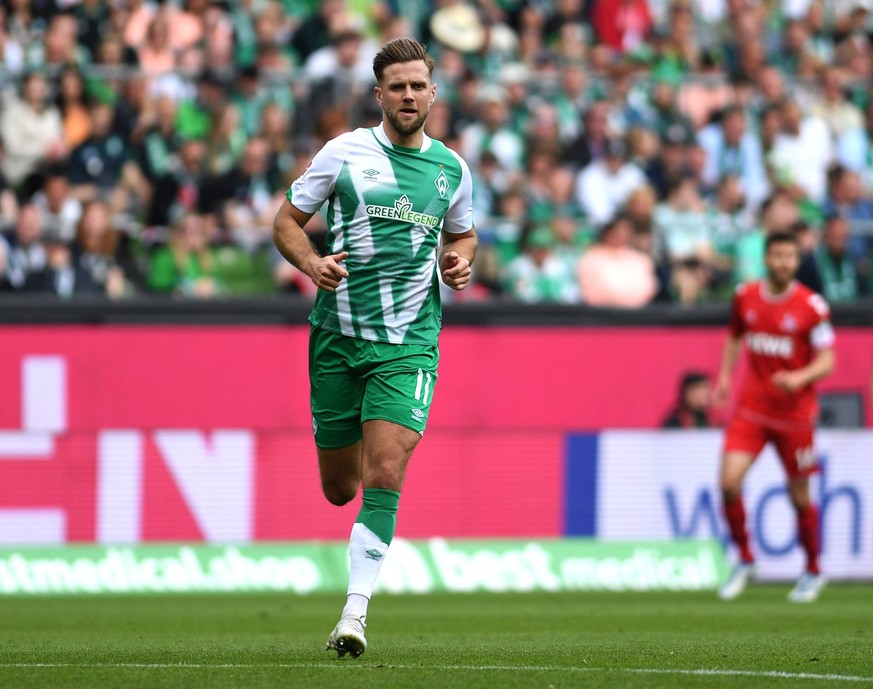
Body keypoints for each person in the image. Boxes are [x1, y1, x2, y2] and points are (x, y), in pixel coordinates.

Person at [271, 37, 476, 658]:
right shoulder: (344, 153)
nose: (409, 95)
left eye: (419, 85)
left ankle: (353, 615)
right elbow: (285, 222)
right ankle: (362, 452)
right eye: (398, 86)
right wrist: (311, 262)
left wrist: (457, 264)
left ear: (433, 93)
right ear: (379, 94)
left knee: (386, 469)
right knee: (339, 486)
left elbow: (464, 236)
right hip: (337, 338)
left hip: (409, 341)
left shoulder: (452, 170)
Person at [714, 230, 835, 603]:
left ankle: (813, 569)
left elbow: (828, 360)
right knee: (729, 483)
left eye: (790, 256)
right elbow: (735, 336)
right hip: (752, 410)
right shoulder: (745, 296)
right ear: (766, 258)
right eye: (778, 255)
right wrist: (724, 376)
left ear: (797, 261)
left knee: (799, 498)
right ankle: (745, 559)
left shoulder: (811, 307)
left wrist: (798, 377)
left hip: (795, 415)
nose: (784, 262)